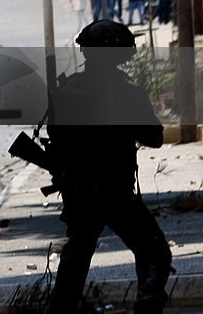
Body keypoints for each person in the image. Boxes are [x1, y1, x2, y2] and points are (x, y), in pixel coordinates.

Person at [44, 20, 170, 314]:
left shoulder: (65, 92)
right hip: (116, 191)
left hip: (80, 192)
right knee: (154, 253)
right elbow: (154, 138)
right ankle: (148, 304)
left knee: (76, 258)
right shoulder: (128, 93)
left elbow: (56, 139)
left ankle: (60, 310)